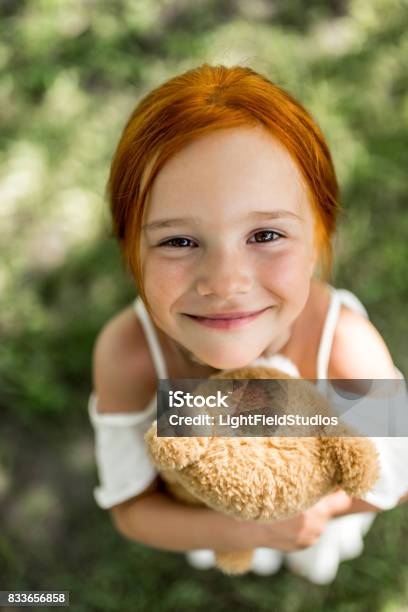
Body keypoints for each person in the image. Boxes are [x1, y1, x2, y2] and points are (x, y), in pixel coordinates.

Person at [88, 64, 407, 583]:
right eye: (179, 241)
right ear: (132, 252)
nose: (225, 282)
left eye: (264, 235)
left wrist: (309, 515)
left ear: (318, 238)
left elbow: (393, 477)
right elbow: (131, 508)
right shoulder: (130, 354)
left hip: (311, 519)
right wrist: (242, 532)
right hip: (211, 527)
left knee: (309, 555)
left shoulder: (344, 346)